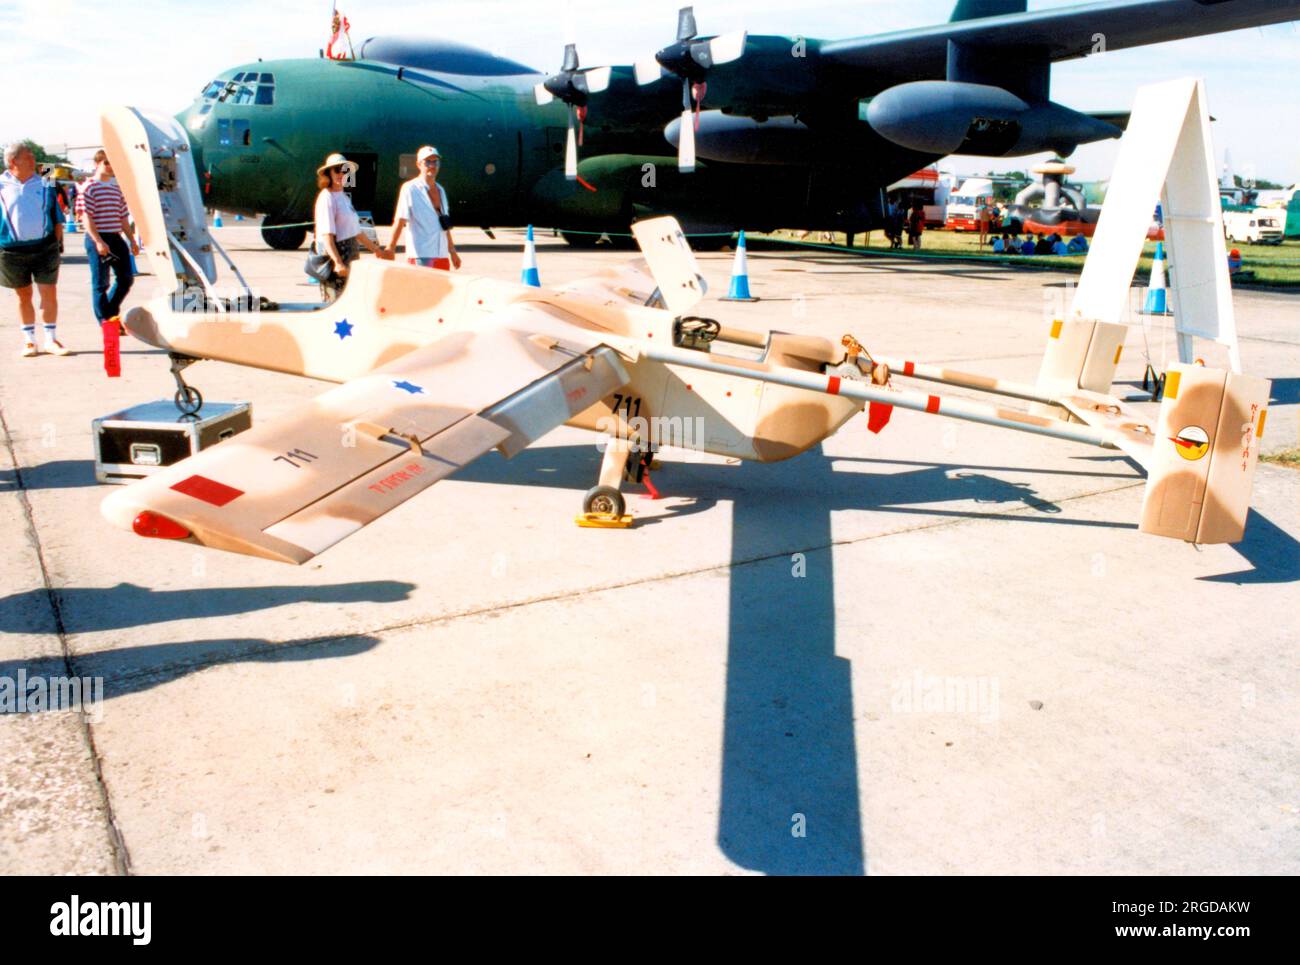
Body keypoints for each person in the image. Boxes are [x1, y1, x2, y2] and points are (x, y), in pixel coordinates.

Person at [0, 142, 65, 356]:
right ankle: (29, 340)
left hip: (45, 247)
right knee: (23, 296)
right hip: (11, 250)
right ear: (12, 161)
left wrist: (57, 245)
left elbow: (57, 216)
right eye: (27, 157)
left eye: (32, 156)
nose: (33, 160)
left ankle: (51, 340)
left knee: (49, 292)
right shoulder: (1, 184)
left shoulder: (46, 179)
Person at [312, 152, 391, 302]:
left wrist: (377, 250)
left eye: (344, 169)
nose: (341, 174)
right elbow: (327, 235)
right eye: (336, 170)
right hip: (337, 260)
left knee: (349, 304)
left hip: (350, 257)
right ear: (328, 174)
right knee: (334, 305)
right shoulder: (326, 197)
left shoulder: (343, 197)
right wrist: (338, 263)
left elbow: (356, 231)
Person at [77, 149, 138, 334]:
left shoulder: (115, 188)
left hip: (115, 236)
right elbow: (86, 217)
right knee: (101, 283)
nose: (111, 167)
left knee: (126, 279)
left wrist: (131, 240)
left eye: (113, 164)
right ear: (98, 164)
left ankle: (110, 313)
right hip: (98, 236)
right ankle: (105, 321)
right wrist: (97, 241)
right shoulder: (89, 187)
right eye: (107, 163)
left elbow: (122, 217)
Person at [387, 145, 461, 270]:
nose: (432, 165)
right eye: (427, 162)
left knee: (442, 289)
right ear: (419, 164)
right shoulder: (410, 188)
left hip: (441, 256)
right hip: (421, 256)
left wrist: (452, 252)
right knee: (421, 290)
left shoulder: (441, 190)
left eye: (435, 162)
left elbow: (444, 225)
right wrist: (390, 248)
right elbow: (400, 220)